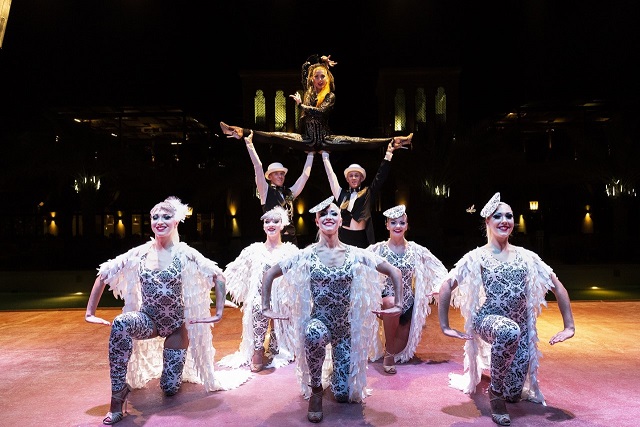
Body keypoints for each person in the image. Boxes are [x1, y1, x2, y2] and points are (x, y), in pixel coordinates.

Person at [85, 196, 251, 425]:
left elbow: (217, 275)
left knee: (169, 388)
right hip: (148, 320)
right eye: (155, 217)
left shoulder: (184, 252)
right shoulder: (140, 252)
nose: (160, 221)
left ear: (176, 222)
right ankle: (117, 395)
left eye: (166, 217)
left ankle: (171, 376)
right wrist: (90, 313)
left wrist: (219, 312)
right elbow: (104, 273)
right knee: (121, 323)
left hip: (175, 327)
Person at [261, 196, 404, 423]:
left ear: (340, 221)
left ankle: (337, 378)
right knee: (313, 334)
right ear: (317, 222)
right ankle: (316, 390)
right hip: (320, 321)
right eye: (323, 214)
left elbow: (394, 271)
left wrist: (398, 304)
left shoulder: (355, 253)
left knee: (342, 395)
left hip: (344, 329)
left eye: (334, 213)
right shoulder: (307, 254)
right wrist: (265, 307)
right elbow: (270, 273)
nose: (329, 217)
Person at [438, 192, 575, 426]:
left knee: (513, 393)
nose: (505, 220)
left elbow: (557, 287)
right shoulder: (477, 256)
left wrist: (569, 326)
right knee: (507, 331)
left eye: (509, 216)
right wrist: (445, 326)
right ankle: (495, 393)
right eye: (498, 216)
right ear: (487, 222)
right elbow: (446, 285)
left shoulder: (527, 257)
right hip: (488, 319)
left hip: (519, 330)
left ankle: (502, 387)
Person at [220, 54, 413, 152]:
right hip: (306, 139)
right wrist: (320, 59)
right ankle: (237, 131)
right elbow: (306, 65)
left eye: (323, 76)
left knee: (358, 141)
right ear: (312, 79)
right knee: (274, 136)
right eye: (316, 76)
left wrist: (301, 106)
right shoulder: (308, 92)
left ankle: (397, 141)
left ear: (328, 79)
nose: (320, 79)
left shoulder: (330, 96)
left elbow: (320, 113)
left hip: (325, 139)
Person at [367, 204, 448, 374]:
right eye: (393, 222)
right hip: (386, 302)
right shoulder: (377, 250)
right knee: (391, 302)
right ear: (387, 225)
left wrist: (437, 287)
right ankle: (388, 355)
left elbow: (439, 269)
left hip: (407, 305)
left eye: (402, 223)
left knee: (400, 351)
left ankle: (392, 349)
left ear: (406, 225)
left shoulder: (416, 250)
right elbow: (358, 265)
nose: (398, 226)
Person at [218, 206, 299, 372]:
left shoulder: (290, 251)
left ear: (282, 225)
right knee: (257, 305)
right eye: (267, 221)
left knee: (282, 308)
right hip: (259, 298)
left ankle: (278, 344)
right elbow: (234, 270)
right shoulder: (254, 250)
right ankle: (258, 349)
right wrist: (219, 286)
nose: (271, 224)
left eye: (275, 221)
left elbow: (301, 276)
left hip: (282, 299)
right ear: (263, 226)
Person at [321, 138, 409, 248]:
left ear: (361, 178)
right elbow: (331, 176)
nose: (353, 178)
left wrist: (389, 153)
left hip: (361, 238)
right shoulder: (341, 194)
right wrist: (325, 156)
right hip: (343, 238)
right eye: (351, 176)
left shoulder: (367, 193)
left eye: (356, 175)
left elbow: (380, 177)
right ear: (347, 179)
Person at [240, 130, 314, 245]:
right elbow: (258, 166)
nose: (280, 176)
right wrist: (249, 143)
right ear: (269, 176)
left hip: (292, 240)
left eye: (282, 174)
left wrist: (311, 154)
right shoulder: (265, 191)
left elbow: (305, 176)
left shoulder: (289, 193)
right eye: (276, 174)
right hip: (274, 240)